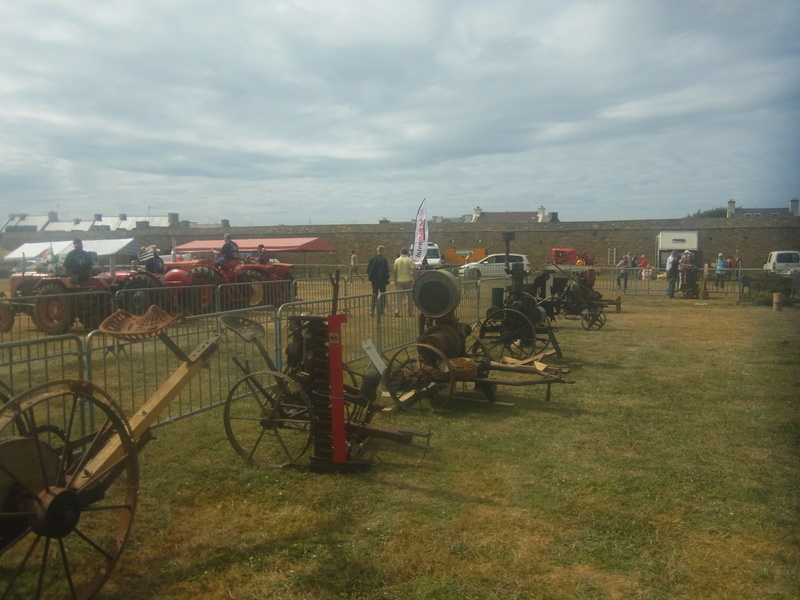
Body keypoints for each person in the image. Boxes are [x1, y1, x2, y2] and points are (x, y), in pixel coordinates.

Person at [367, 245, 390, 317]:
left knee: (374, 295)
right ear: (382, 251)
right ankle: (381, 311)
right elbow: (386, 271)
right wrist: (387, 278)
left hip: (374, 280)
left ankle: (372, 310)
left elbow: (368, 270)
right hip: (382, 281)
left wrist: (371, 277)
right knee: (382, 296)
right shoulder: (384, 260)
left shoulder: (372, 259)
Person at [392, 248, 415, 317]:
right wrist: (415, 278)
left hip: (399, 281)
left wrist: (395, 280)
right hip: (408, 281)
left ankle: (397, 311)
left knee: (399, 298)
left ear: (401, 252)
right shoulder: (409, 260)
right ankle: (410, 313)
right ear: (407, 253)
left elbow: (395, 271)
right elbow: (413, 270)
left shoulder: (397, 260)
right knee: (410, 298)